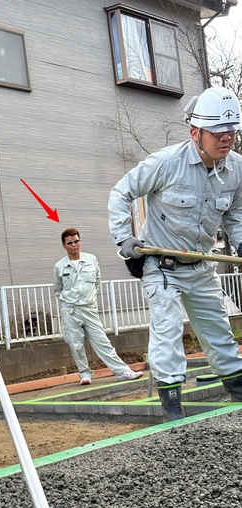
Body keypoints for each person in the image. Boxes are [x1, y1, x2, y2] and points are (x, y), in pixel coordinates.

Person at [109, 86, 242, 421]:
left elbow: (235, 215)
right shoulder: (167, 163)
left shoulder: (236, 169)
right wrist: (124, 239)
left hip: (201, 264)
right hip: (163, 266)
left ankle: (239, 391)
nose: (226, 138)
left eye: (232, 131)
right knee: (167, 332)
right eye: (218, 132)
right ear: (195, 132)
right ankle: (172, 411)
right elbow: (121, 192)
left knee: (218, 331)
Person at [54, 227, 144, 386]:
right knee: (76, 344)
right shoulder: (59, 267)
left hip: (89, 308)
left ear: (80, 242)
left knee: (102, 341)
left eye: (76, 241)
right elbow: (58, 289)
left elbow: (97, 281)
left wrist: (90, 298)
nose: (74, 245)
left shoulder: (91, 259)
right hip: (70, 310)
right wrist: (66, 304)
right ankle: (84, 374)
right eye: (70, 243)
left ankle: (122, 371)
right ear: (64, 246)